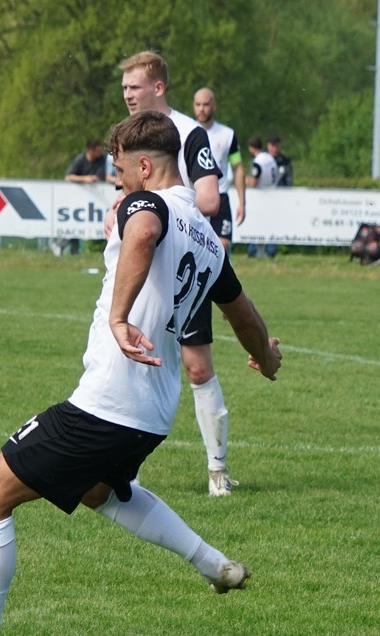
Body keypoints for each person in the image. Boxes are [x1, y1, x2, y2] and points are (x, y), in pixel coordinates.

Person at [0, 111, 281, 636]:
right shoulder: (205, 234)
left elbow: (144, 232)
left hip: (109, 402)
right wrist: (266, 359)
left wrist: (119, 317)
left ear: (145, 166)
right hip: (154, 412)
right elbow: (243, 314)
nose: (116, 183)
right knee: (98, 490)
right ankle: (214, 564)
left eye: (120, 171)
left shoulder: (146, 205)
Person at [117, 51, 236, 497]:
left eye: (134, 87)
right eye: (124, 88)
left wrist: (158, 206)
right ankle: (123, 470)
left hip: (182, 255)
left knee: (196, 365)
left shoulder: (189, 133)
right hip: (142, 258)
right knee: (130, 356)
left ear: (158, 87)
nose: (128, 95)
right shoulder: (129, 134)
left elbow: (209, 199)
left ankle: (217, 470)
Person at [192, 87, 246, 254]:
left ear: (214, 106)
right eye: (198, 105)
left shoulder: (227, 134)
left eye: (206, 104)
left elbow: (237, 166)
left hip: (220, 197)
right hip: (193, 197)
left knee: (222, 247)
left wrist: (242, 202)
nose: (201, 109)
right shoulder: (186, 131)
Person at [246, 137, 279, 258]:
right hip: (273, 193)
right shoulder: (270, 158)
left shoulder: (258, 161)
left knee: (256, 224)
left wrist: (246, 180)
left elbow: (254, 182)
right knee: (271, 225)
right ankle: (271, 251)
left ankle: (253, 251)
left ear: (251, 148)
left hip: (261, 196)